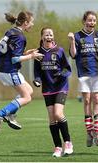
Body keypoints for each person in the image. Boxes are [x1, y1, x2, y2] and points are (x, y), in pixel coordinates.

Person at [0, 11, 44, 134]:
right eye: (32, 22)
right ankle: (0, 114)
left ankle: (10, 115)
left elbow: (11, 54)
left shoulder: (11, 31)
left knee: (29, 91)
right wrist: (32, 56)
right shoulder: (19, 36)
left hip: (4, 68)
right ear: (25, 23)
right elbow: (14, 59)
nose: (33, 24)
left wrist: (27, 54)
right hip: (9, 70)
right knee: (27, 97)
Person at [68, 10, 98, 147]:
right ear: (84, 21)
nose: (92, 23)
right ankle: (89, 132)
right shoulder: (77, 35)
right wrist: (72, 41)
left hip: (97, 71)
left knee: (96, 99)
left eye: (94, 20)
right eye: (89, 20)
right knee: (86, 101)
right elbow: (73, 55)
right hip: (83, 72)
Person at [33, 27, 73, 157]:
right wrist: (37, 80)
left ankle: (68, 142)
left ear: (53, 36)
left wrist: (62, 74)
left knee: (58, 113)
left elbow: (68, 69)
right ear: (42, 37)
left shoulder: (59, 50)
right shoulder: (38, 53)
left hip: (61, 86)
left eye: (51, 34)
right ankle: (57, 147)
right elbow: (37, 71)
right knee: (51, 118)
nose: (49, 36)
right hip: (47, 89)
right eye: (46, 34)